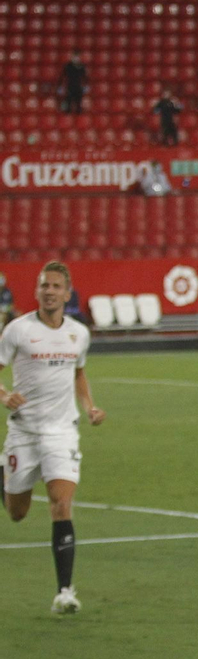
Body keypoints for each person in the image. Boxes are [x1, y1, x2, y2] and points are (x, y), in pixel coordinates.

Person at [0, 262, 105, 615]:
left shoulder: (78, 333)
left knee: (61, 504)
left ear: (67, 292)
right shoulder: (17, 330)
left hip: (62, 432)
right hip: (24, 431)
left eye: (56, 286)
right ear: (36, 291)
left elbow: (78, 372)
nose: (49, 291)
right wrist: (3, 395)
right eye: (44, 285)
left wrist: (89, 406)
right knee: (17, 513)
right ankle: (4, 471)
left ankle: (65, 591)